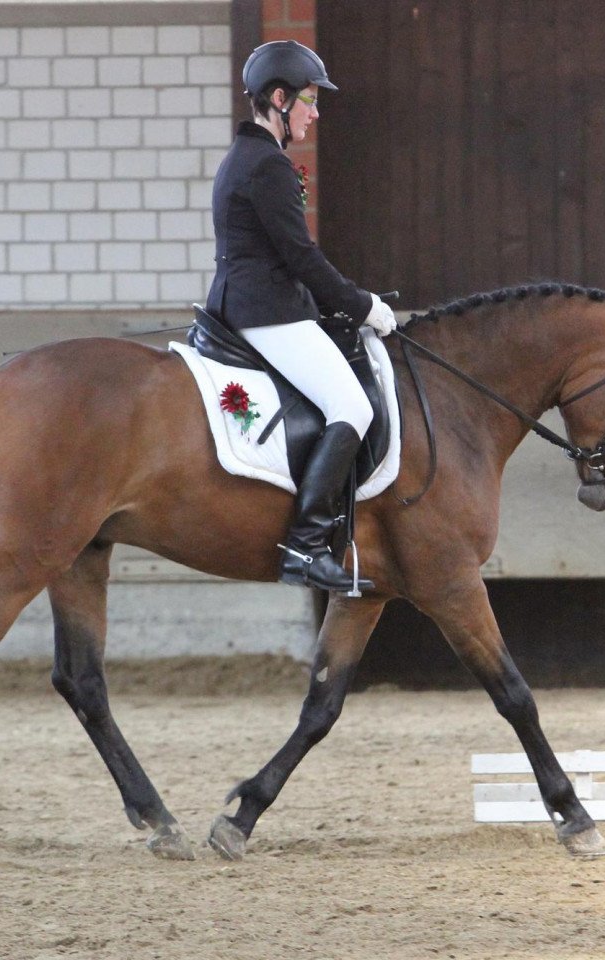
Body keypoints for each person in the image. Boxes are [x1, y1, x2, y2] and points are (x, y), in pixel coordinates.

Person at [205, 39, 396, 593]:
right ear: (279, 99)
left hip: (252, 302)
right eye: (310, 101)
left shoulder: (247, 158)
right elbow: (301, 258)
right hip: (266, 312)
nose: (315, 114)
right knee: (353, 405)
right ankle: (305, 546)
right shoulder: (267, 165)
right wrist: (362, 305)